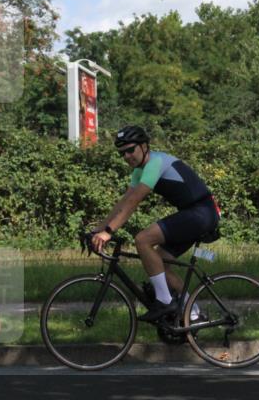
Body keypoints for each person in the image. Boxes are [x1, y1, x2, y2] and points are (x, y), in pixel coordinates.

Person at [91, 126, 220, 322]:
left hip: (201, 212)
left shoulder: (155, 162)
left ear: (144, 146)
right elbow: (124, 201)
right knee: (159, 262)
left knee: (143, 239)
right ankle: (194, 315)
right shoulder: (140, 169)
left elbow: (134, 201)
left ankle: (165, 302)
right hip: (196, 213)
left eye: (130, 150)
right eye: (122, 153)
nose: (126, 156)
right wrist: (98, 229)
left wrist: (109, 231)